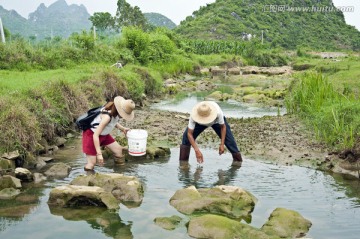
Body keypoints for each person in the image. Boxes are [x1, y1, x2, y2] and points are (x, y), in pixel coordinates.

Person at [179, 101, 243, 166]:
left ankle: (238, 162)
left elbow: (223, 127)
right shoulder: (194, 115)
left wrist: (222, 144)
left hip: (216, 122)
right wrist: (197, 150)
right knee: (186, 138)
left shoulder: (218, 113)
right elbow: (189, 134)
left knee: (230, 140)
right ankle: (183, 164)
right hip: (199, 123)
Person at [82, 96, 135, 171]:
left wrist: (123, 128)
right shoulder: (106, 117)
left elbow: (113, 122)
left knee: (118, 150)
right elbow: (95, 135)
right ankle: (87, 177)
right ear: (119, 110)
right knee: (92, 163)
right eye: (124, 114)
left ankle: (119, 171)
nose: (123, 116)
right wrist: (99, 154)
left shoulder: (115, 113)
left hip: (104, 134)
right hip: (91, 135)